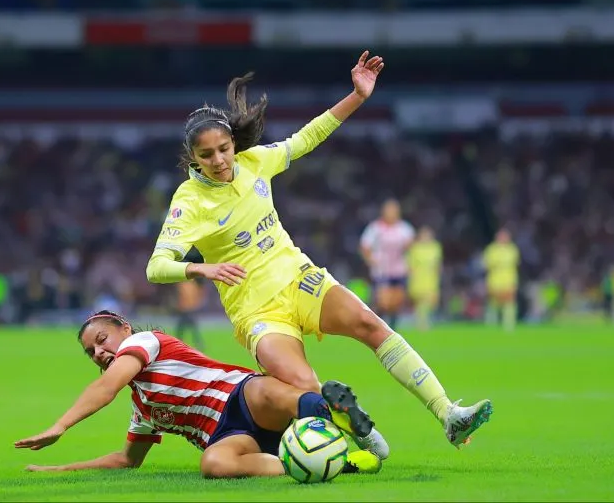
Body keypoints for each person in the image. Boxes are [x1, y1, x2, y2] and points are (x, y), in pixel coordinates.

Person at [146, 51, 492, 452]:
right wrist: (200, 270)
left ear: (232, 143)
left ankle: (448, 414)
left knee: (370, 324)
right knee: (306, 386)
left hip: (299, 278)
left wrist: (358, 96)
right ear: (193, 158)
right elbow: (156, 267)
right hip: (257, 312)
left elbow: (306, 137)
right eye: (206, 156)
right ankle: (352, 429)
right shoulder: (189, 201)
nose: (220, 160)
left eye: (224, 148)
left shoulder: (255, 161)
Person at [14, 311, 382, 478]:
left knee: (267, 391)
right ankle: (339, 464)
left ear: (123, 328)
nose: (99, 353)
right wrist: (59, 469)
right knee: (213, 465)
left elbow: (106, 387)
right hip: (228, 437)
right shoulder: (142, 406)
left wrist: (60, 426)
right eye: (91, 352)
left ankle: (332, 410)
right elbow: (128, 460)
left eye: (101, 340)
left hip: (240, 395)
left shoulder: (145, 341)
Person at [359, 198, 415, 329]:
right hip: (382, 269)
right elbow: (365, 246)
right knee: (384, 302)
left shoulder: (404, 228)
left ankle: (392, 330)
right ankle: (375, 325)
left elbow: (411, 247)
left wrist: (410, 258)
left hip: (399, 269)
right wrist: (371, 259)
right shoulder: (375, 228)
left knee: (396, 302)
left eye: (394, 210)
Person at [482, 228, 520, 331]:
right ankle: (491, 323)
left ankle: (509, 324)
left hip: (508, 280)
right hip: (495, 280)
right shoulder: (491, 249)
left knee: (509, 302)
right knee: (493, 303)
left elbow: (515, 265)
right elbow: (486, 265)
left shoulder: (512, 249)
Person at [407, 226, 443, 331]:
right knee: (420, 301)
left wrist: (438, 273)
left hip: (431, 278)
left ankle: (423, 319)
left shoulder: (435, 247)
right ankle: (422, 322)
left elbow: (438, 263)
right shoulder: (415, 248)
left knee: (432, 301)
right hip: (419, 278)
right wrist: (412, 275)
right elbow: (410, 264)